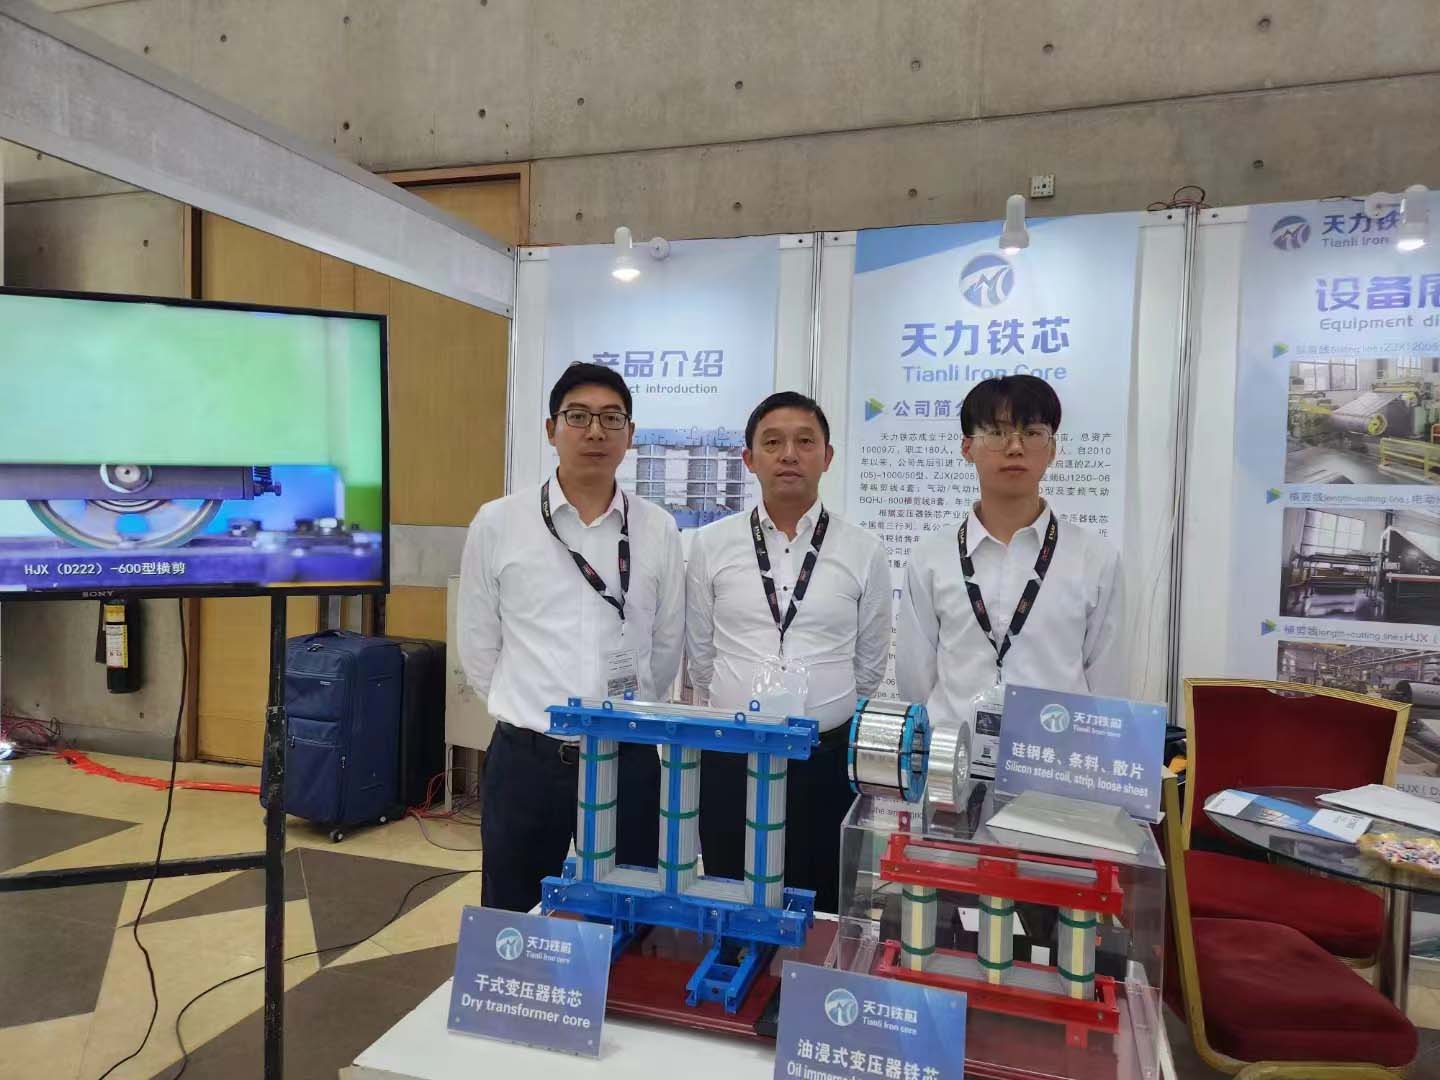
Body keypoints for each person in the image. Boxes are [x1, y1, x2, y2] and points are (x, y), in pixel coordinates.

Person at [458, 362, 685, 912]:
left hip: (627, 758)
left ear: (630, 434)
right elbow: (478, 642)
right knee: (513, 917)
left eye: (612, 418)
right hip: (528, 759)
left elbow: (666, 643)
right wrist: (528, 712)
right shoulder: (498, 522)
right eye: (578, 416)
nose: (595, 431)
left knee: (630, 917)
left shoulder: (658, 528)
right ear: (551, 429)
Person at [686, 391, 892, 914]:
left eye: (805, 441)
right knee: (730, 896)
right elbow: (700, 653)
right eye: (773, 442)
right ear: (749, 458)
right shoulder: (710, 544)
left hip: (824, 761)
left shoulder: (863, 550)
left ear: (828, 456)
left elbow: (870, 662)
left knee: (819, 903)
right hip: (732, 756)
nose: (789, 455)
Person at [896, 374, 1125, 775]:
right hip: (952, 766)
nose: (1015, 447)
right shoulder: (931, 557)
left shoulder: (1095, 558)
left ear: (1052, 449)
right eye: (997, 433)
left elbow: (1106, 682)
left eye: (1032, 433)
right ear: (967, 447)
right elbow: (916, 678)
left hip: (1054, 768)